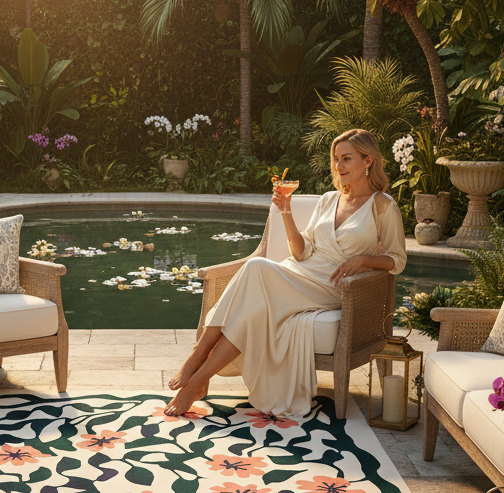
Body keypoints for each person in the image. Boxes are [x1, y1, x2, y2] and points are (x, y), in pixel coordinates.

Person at [164, 128, 407, 418]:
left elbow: (397, 260)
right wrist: (286, 212)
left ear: (368, 161)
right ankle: (197, 377)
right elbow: (301, 252)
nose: (338, 166)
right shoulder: (329, 199)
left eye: (346, 159)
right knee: (248, 310)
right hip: (301, 271)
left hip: (333, 285)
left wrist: (364, 259)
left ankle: (196, 365)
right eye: (336, 159)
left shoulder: (383, 206)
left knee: (255, 267)